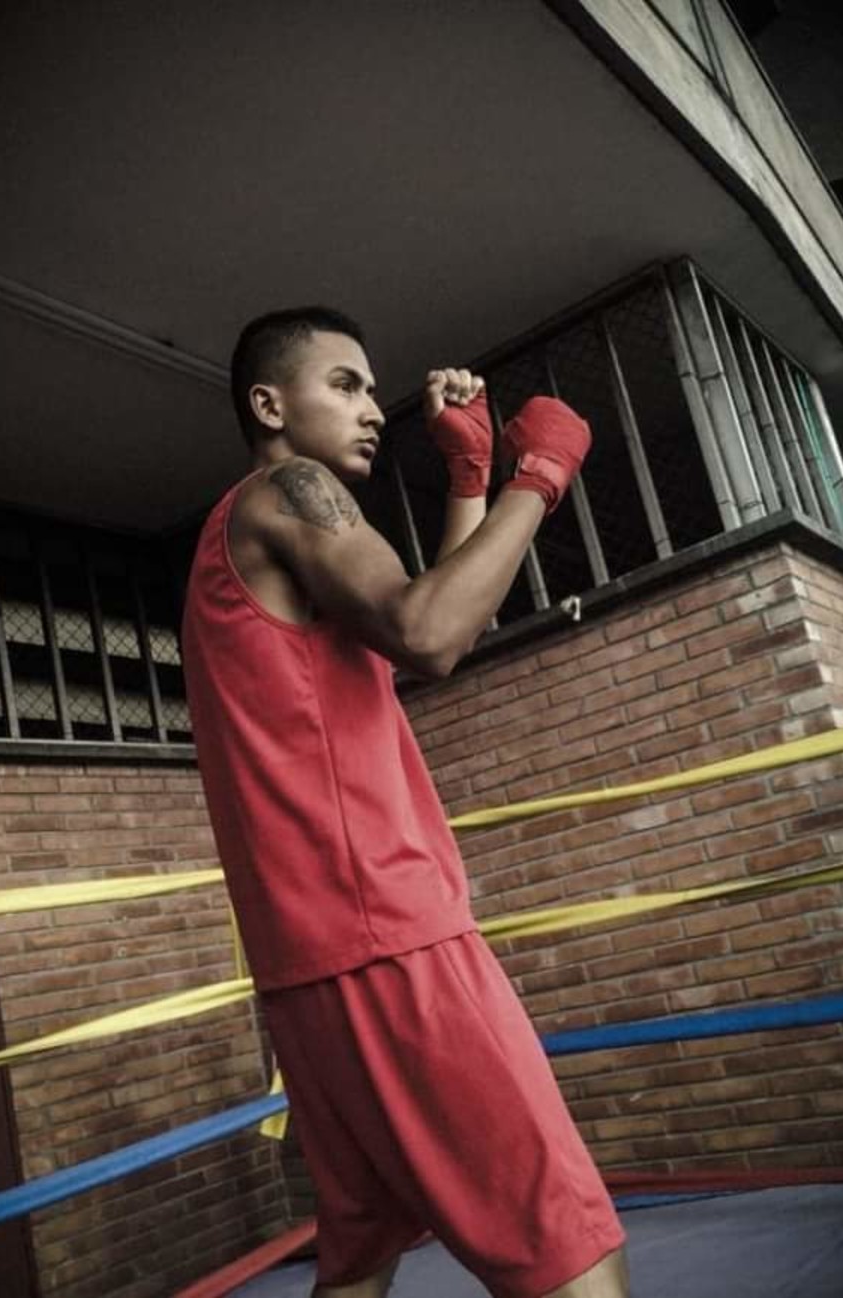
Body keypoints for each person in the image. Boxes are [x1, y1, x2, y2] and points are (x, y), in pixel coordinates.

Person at [181, 306, 628, 1298]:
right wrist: (539, 475)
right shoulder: (288, 489)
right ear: (269, 406)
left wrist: (469, 478)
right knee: (568, 1243)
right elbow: (429, 632)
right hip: (386, 934)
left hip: (308, 970)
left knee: (362, 1252)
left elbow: (432, 635)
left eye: (371, 388)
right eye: (343, 384)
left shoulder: (244, 537)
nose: (372, 408)